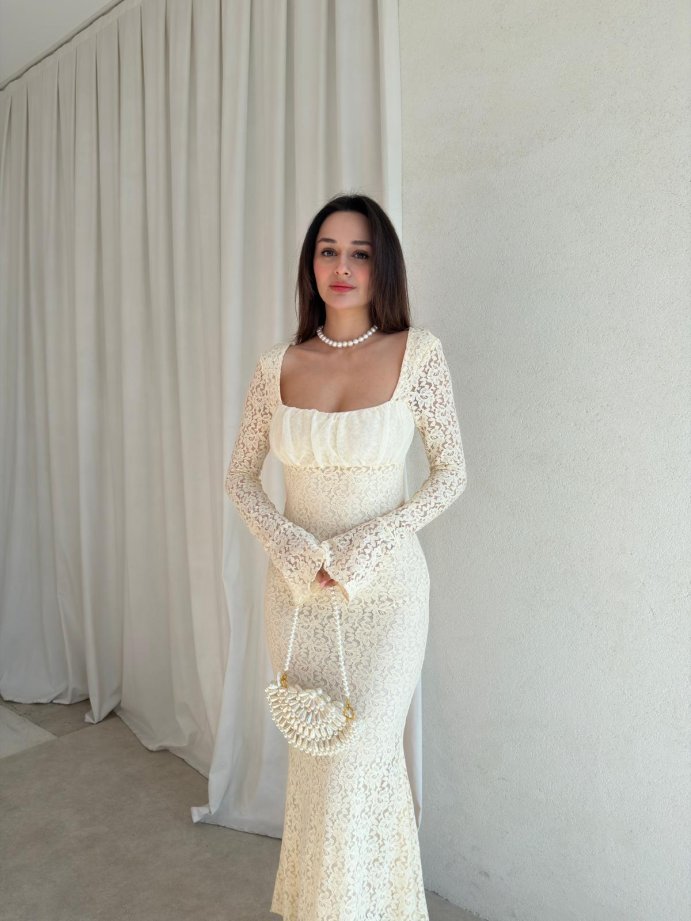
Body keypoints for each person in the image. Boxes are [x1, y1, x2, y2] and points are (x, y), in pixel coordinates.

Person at [225, 192, 467, 920]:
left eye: (359, 253)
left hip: (385, 599)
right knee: (318, 771)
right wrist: (291, 547)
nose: (342, 266)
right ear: (311, 264)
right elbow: (240, 478)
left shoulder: (417, 353)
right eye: (328, 250)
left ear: (381, 265)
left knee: (359, 767)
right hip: (298, 598)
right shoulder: (276, 366)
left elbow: (450, 473)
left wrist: (368, 544)